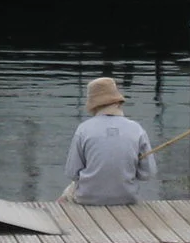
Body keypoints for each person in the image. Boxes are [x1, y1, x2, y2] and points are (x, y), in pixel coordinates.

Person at [61, 76, 154, 206]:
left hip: (88, 199)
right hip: (128, 198)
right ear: (118, 102)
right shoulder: (136, 129)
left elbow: (72, 173)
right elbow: (147, 174)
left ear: (93, 104)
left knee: (66, 195)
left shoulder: (83, 129)